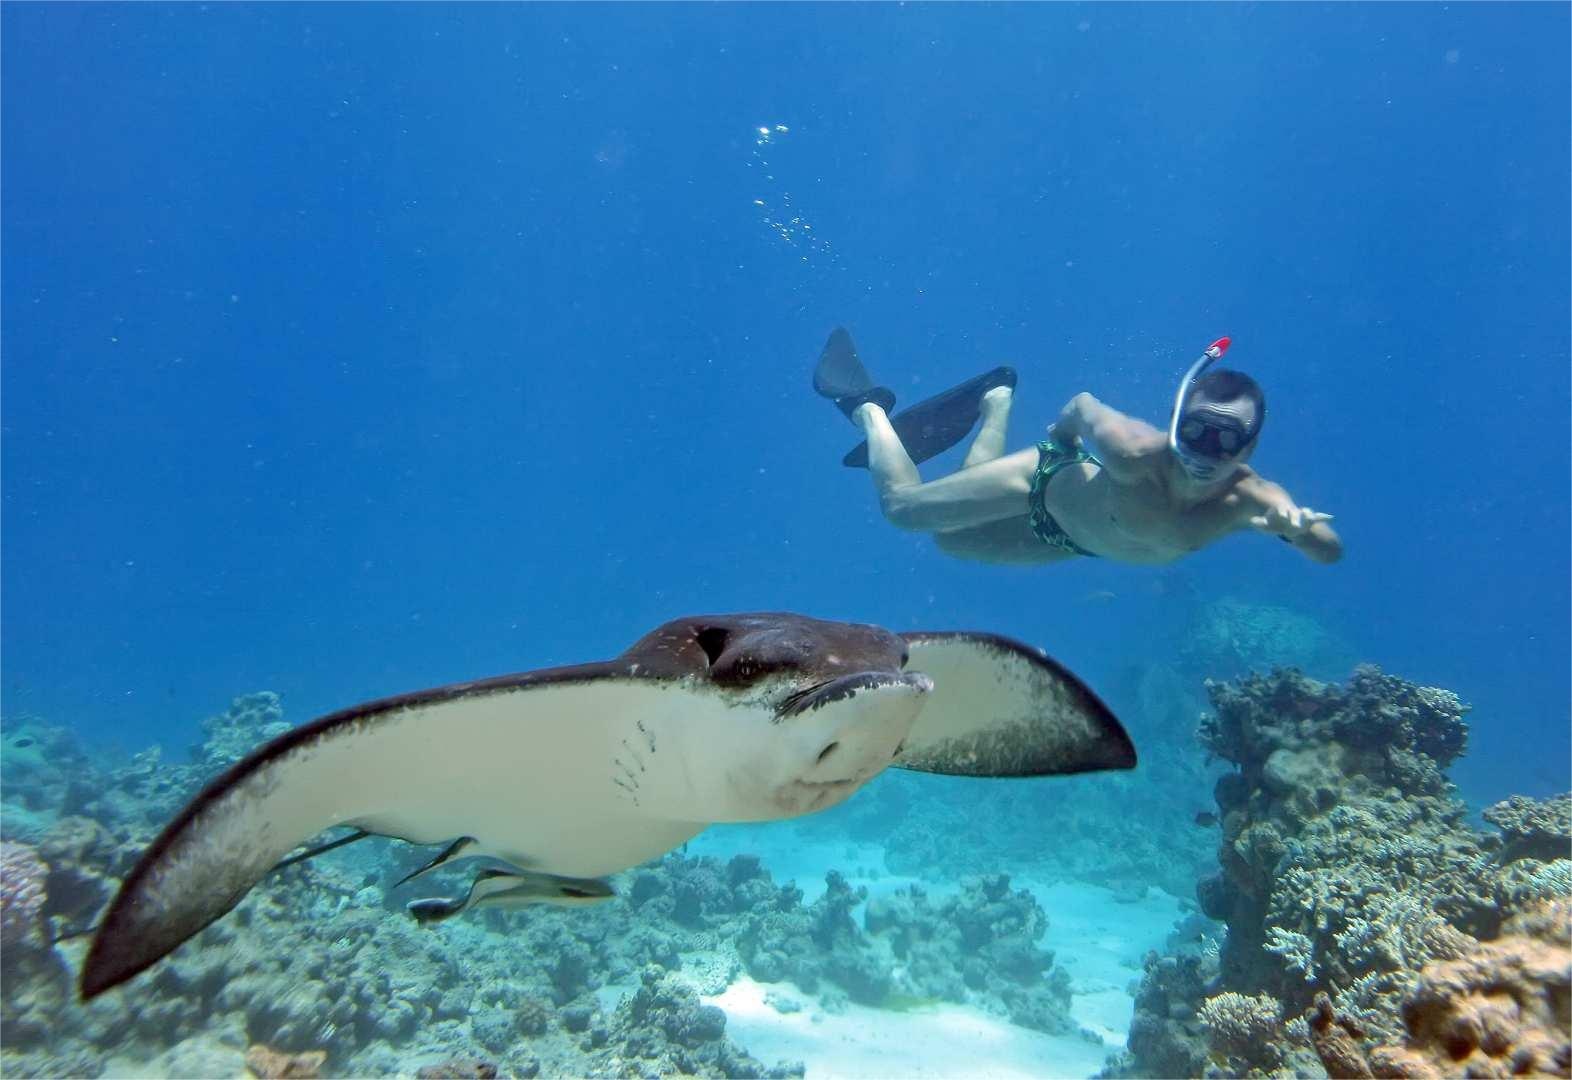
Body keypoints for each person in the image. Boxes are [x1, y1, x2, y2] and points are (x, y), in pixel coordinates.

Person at [813, 328, 1342, 566]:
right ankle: (868, 408)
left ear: (1249, 450)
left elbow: (1328, 549)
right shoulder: (1130, 450)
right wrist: (1061, 439)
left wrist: (1297, 533)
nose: (1206, 451)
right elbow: (1085, 405)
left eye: (1227, 441)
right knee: (904, 512)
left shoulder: (1253, 500)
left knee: (953, 543)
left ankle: (995, 400)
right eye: (1196, 429)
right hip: (1046, 482)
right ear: (1176, 420)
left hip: (1073, 541)